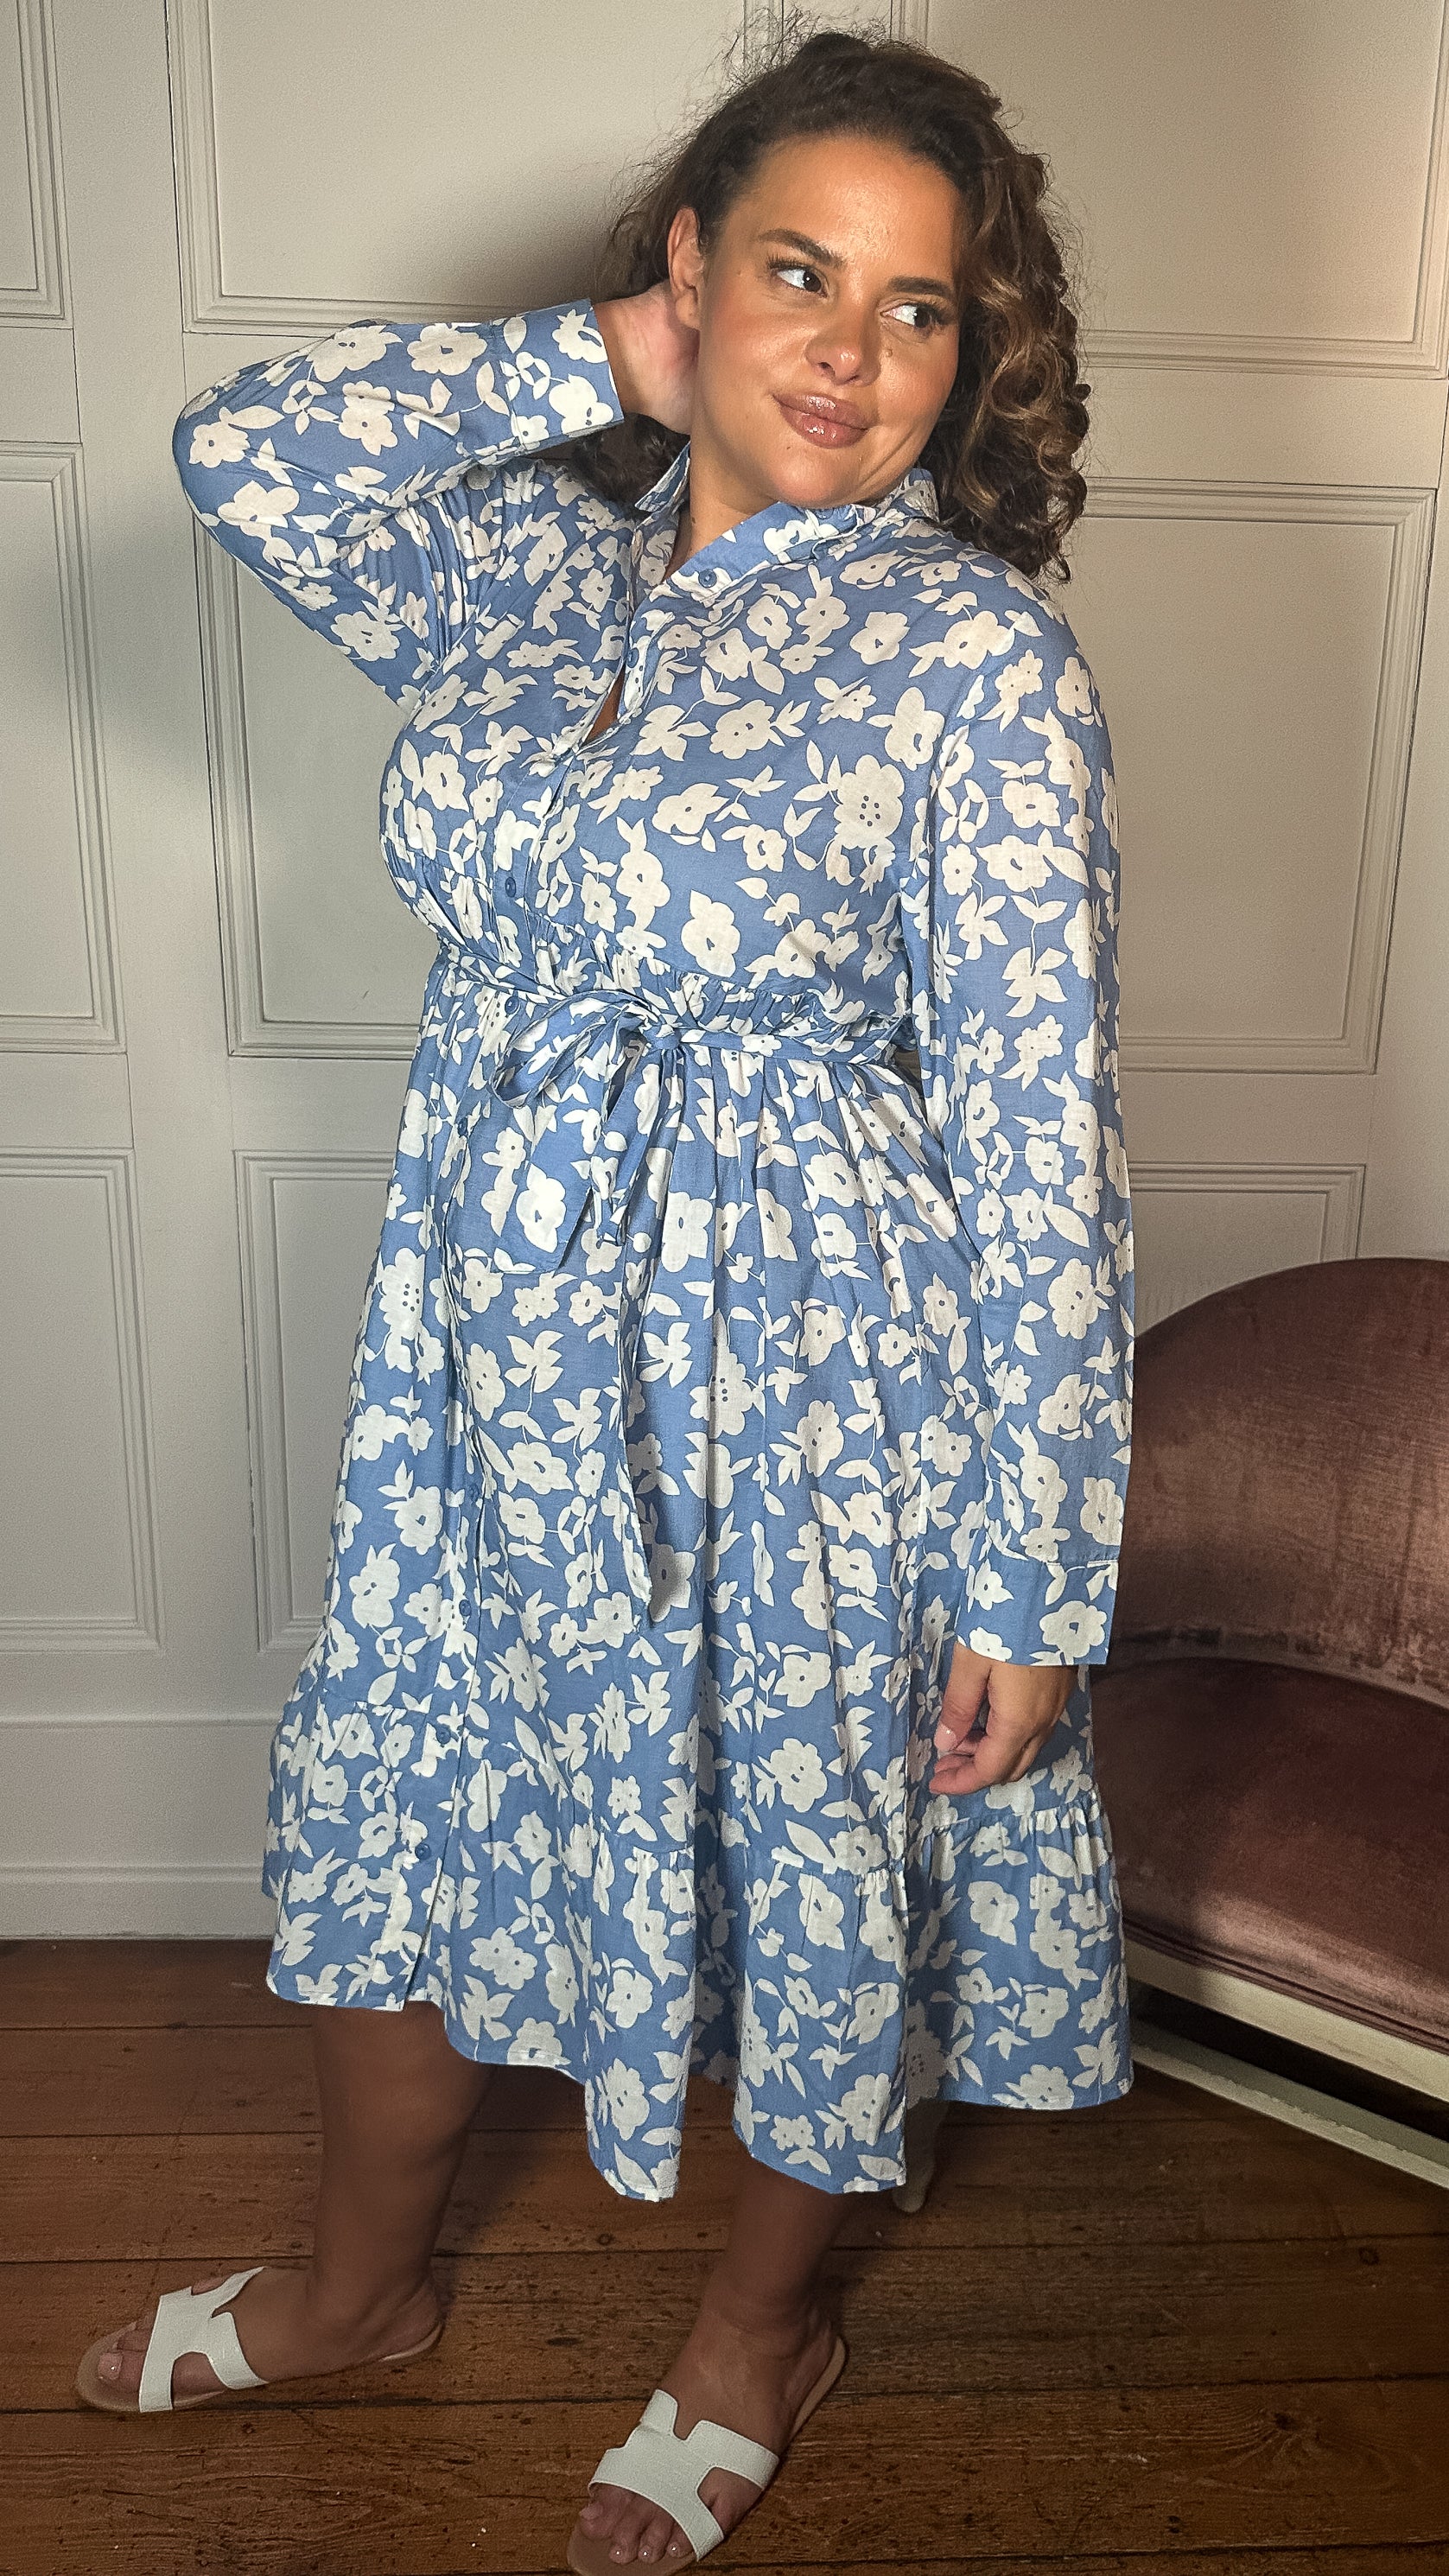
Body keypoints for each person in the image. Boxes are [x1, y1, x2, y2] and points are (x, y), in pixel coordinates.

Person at [75, 28, 1135, 2569]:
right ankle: (359, 2293)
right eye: (796, 274)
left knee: (813, 1848)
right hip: (488, 1351)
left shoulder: (976, 666)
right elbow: (244, 455)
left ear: (970, 350)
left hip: (817, 1372)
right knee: (415, 1794)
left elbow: (1041, 1138)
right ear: (689, 269)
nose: (851, 352)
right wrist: (595, 368)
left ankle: (759, 2332)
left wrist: (1037, 1574)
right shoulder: (526, 571)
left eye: (917, 308)